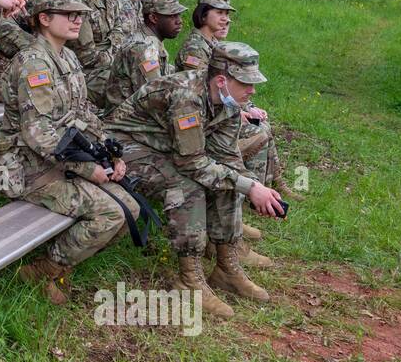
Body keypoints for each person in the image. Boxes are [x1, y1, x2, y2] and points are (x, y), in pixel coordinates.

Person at [105, 42, 285, 319]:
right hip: (126, 147)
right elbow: (191, 164)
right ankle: (189, 280)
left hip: (166, 146)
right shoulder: (186, 96)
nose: (252, 91)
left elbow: (227, 157)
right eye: (246, 83)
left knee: (229, 179)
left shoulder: (228, 103)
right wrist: (250, 186)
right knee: (187, 185)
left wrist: (255, 187)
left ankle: (226, 266)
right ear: (222, 81)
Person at [0, 0, 140, 305]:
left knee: (132, 208)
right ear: (44, 18)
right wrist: (89, 168)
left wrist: (110, 152)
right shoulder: (33, 64)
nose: (77, 20)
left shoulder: (67, 56)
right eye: (69, 14)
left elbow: (82, 111)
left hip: (57, 160)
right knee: (112, 213)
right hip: (25, 168)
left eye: (80, 15)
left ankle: (58, 265)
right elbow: (38, 133)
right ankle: (47, 269)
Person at [177, 0, 298, 216]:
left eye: (227, 14)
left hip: (214, 114)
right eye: (220, 12)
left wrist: (247, 107)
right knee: (257, 132)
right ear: (203, 15)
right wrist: (239, 112)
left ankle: (270, 186)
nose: (226, 18)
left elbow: (228, 87)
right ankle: (253, 196)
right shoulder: (195, 48)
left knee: (260, 125)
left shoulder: (212, 43)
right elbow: (205, 90)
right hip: (200, 122)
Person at [100, 0, 184, 113]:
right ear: (153, 18)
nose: (179, 21)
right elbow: (154, 98)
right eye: (172, 16)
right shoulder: (142, 48)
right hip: (126, 122)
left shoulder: (152, 41)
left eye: (179, 15)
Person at [67, 0, 130, 108]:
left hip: (109, 64)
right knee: (127, 83)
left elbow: (121, 31)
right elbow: (87, 57)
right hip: (85, 74)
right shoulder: (77, 3)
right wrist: (119, 57)